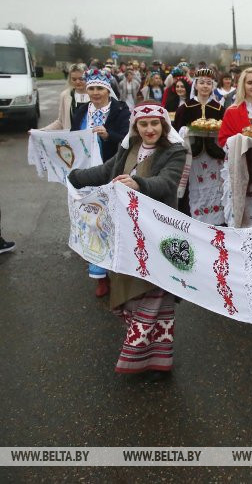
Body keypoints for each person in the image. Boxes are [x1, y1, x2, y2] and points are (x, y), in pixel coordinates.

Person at [68, 102, 186, 379]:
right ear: (136, 126)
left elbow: (168, 183)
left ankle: (157, 361)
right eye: (143, 124)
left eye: (154, 124)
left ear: (163, 126)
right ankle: (149, 356)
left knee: (155, 294)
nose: (149, 129)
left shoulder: (174, 152)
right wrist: (74, 177)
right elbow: (108, 170)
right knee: (131, 296)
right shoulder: (129, 147)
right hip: (127, 235)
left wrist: (140, 184)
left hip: (158, 235)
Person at [70, 69, 131, 296]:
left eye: (100, 88)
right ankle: (99, 274)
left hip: (110, 172)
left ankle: (119, 267)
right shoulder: (80, 111)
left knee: (112, 220)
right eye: (91, 88)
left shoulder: (120, 110)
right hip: (86, 174)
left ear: (108, 89)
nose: (95, 93)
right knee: (91, 222)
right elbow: (72, 138)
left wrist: (109, 136)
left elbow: (127, 139)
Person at [172, 68, 227, 224]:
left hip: (214, 157)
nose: (205, 86)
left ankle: (216, 220)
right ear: (195, 85)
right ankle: (192, 218)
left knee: (214, 186)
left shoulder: (219, 109)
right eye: (201, 83)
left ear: (212, 86)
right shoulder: (185, 108)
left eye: (208, 83)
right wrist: (185, 131)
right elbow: (176, 133)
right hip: (193, 156)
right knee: (193, 187)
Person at [43, 63, 88, 131]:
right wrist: (42, 130)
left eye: (81, 79)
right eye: (74, 79)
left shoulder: (95, 95)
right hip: (71, 139)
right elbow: (61, 122)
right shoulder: (65, 95)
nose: (77, 82)